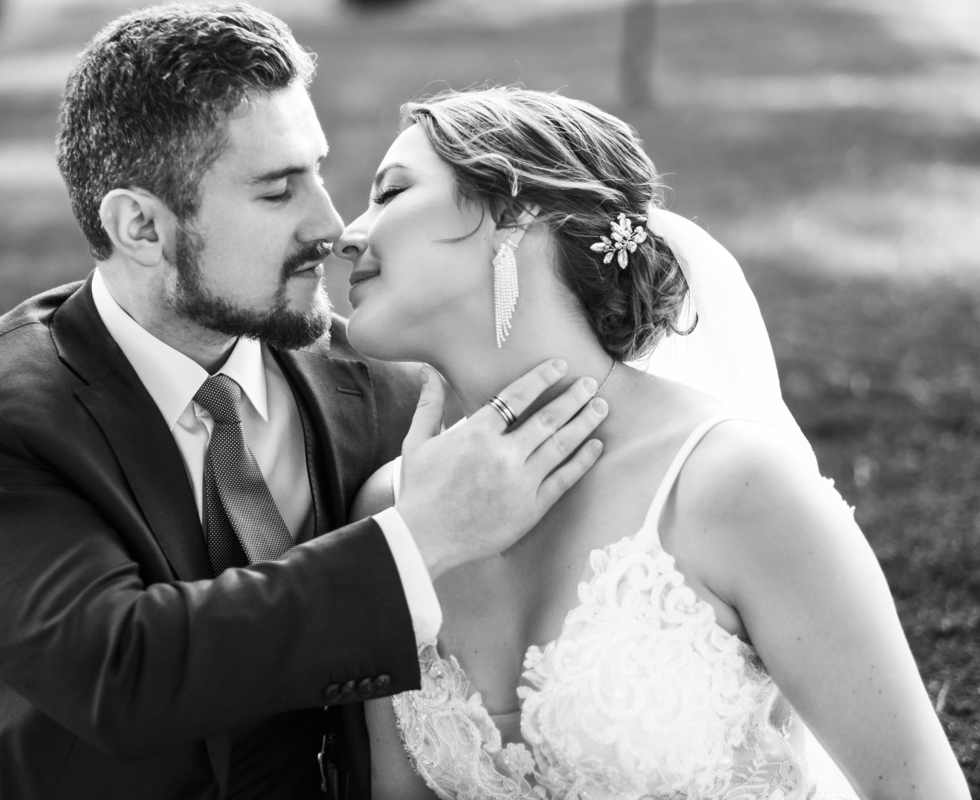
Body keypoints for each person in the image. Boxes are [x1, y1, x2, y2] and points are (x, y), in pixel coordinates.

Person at [0, 9, 608, 800]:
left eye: (319, 171)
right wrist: (417, 537)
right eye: (277, 190)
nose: (332, 225)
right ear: (142, 227)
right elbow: (119, 673)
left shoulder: (387, 390)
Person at [336, 86, 970, 800]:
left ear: (516, 212)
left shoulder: (734, 485)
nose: (348, 235)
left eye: (390, 193)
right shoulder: (390, 509)